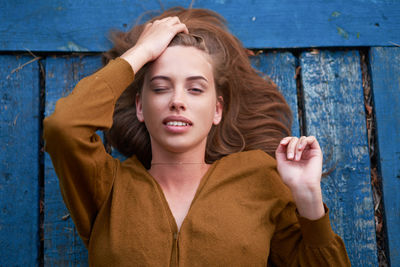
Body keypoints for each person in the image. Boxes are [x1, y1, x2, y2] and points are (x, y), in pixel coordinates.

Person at [43, 7, 351, 266]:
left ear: (217, 110)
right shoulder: (106, 187)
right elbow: (64, 126)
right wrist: (142, 52)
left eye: (195, 89)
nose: (177, 100)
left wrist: (308, 195)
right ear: (140, 106)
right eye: (161, 87)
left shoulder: (259, 178)